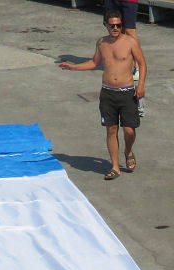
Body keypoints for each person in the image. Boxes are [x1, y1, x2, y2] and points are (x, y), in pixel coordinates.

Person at [59, 11, 147, 181]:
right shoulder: (101, 43)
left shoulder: (130, 41)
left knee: (129, 130)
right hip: (107, 93)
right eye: (112, 25)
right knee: (111, 129)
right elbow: (94, 62)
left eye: (119, 25)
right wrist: (73, 67)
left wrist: (141, 85)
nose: (115, 28)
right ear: (105, 25)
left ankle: (128, 150)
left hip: (127, 92)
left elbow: (142, 64)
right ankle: (115, 166)